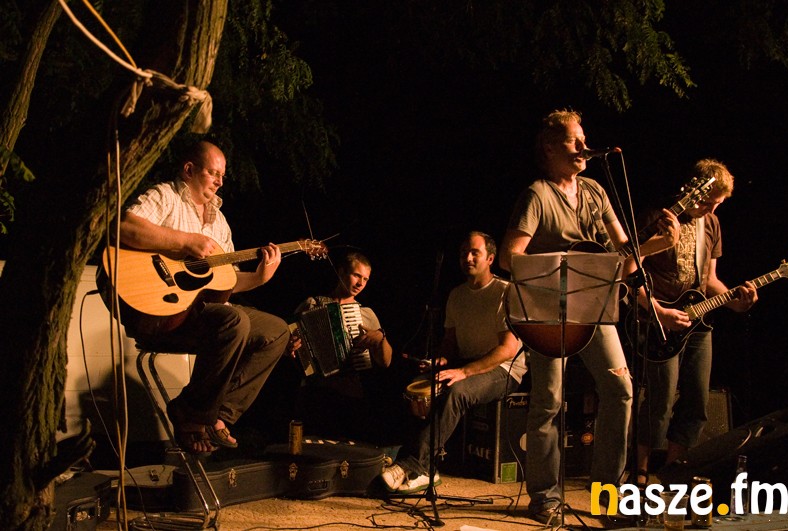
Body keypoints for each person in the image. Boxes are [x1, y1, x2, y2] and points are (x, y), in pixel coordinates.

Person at [498, 109, 678, 523]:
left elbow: (622, 260)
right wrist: (560, 266)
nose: (584, 147)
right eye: (573, 141)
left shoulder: (596, 191)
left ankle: (606, 494)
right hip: (548, 312)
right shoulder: (537, 195)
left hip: (594, 306)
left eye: (584, 139)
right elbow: (509, 257)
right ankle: (545, 497)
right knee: (549, 400)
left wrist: (655, 246)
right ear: (549, 148)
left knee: (620, 389)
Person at [119, 140, 290, 455]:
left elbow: (224, 283)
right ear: (189, 169)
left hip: (205, 313)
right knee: (234, 320)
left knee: (276, 331)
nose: (220, 181)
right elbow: (125, 227)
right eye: (214, 173)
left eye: (223, 175)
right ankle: (193, 417)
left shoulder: (219, 221)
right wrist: (185, 241)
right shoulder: (166, 196)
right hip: (162, 315)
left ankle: (215, 414)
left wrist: (259, 278)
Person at [633, 159, 757, 486]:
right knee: (659, 400)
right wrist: (658, 311)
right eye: (708, 201)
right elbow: (630, 272)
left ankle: (673, 471)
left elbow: (710, 280)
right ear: (693, 189)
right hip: (660, 319)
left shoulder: (711, 224)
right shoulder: (658, 218)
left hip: (698, 321)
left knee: (697, 401)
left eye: (718, 204)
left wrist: (735, 300)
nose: (712, 209)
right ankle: (640, 472)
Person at [381, 231, 527, 495]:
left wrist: (463, 371)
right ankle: (422, 465)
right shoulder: (456, 295)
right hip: (468, 364)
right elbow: (450, 345)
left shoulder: (505, 292)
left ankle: (414, 465)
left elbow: (508, 350)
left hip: (504, 370)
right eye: (463, 253)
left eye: (474, 253)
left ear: (490, 258)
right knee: (416, 388)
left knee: (457, 391)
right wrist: (439, 361)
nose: (467, 258)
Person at [290, 251, 394, 443]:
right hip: (314, 391)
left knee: (344, 449)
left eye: (365, 279)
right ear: (341, 272)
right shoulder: (311, 304)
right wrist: (292, 345)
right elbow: (289, 341)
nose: (361, 283)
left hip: (348, 394)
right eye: (356, 275)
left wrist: (381, 338)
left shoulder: (366, 314)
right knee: (307, 447)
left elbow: (385, 361)